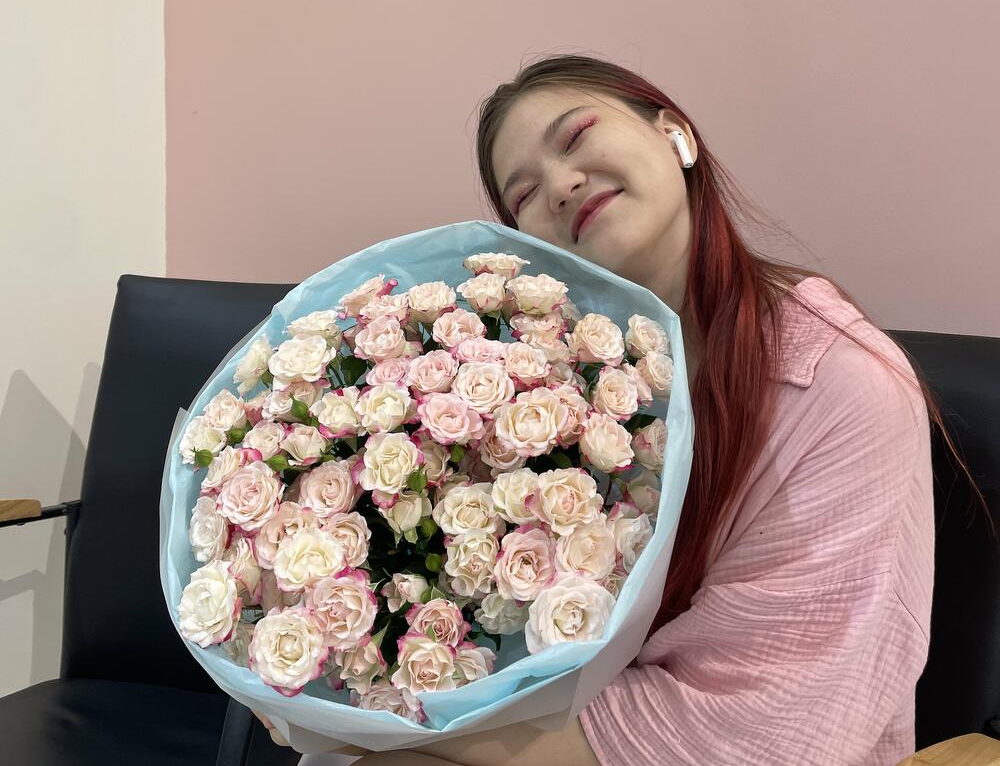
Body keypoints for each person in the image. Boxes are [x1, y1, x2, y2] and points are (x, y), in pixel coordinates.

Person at [265, 54, 987, 765]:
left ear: (675, 134)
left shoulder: (840, 389)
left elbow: (770, 723)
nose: (560, 186)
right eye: (524, 195)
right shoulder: (545, 383)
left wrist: (385, 729)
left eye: (577, 136)